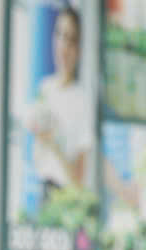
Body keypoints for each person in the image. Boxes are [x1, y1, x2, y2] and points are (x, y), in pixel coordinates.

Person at [23, 1, 93, 195]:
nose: (63, 46)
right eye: (60, 35)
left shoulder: (82, 100)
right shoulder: (45, 87)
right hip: (41, 189)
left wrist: (54, 144)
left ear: (79, 48)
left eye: (71, 39)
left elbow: (78, 180)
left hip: (65, 198)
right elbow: (37, 156)